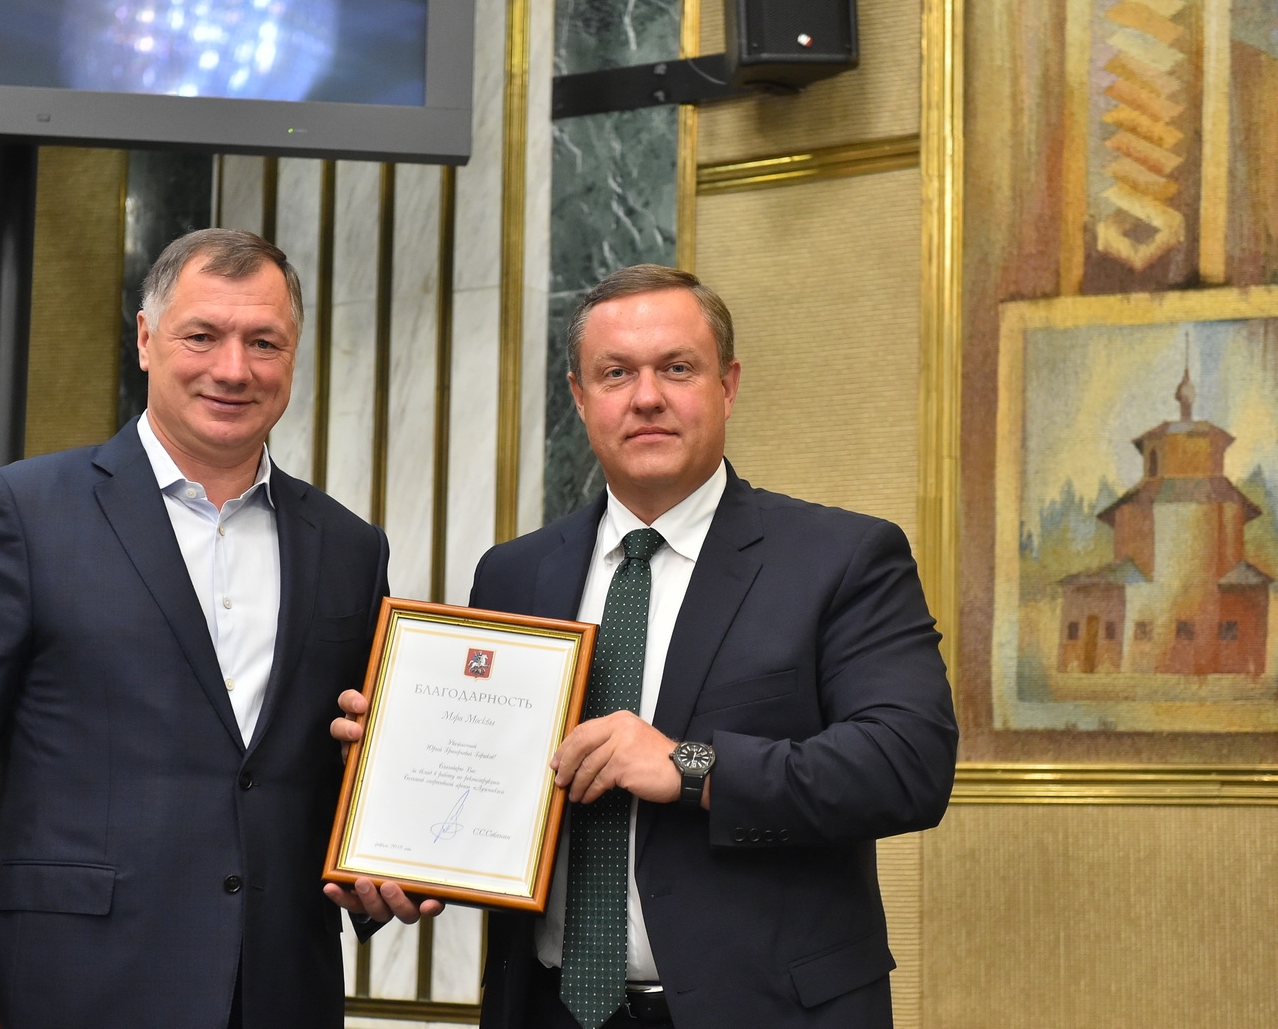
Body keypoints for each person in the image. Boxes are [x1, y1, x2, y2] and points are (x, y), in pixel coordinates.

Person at [334, 264, 957, 1029]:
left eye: (677, 368)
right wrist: (396, 811)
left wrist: (690, 766)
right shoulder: (515, 572)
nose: (647, 396)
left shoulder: (840, 558)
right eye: (616, 373)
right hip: (547, 1008)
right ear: (579, 396)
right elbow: (501, 792)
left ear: (728, 385)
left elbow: (908, 765)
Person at [0, 229, 418, 1029]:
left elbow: (334, 769)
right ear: (145, 338)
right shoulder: (25, 513)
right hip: (69, 994)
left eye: (263, 342)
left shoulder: (349, 547)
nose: (233, 368)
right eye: (203, 335)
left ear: (294, 355)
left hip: (280, 997)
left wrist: (388, 863)